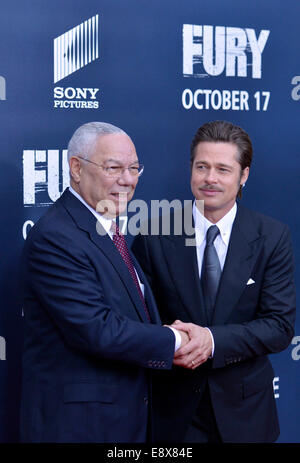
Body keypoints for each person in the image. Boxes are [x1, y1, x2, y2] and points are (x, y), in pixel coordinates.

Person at [20, 122, 189, 443]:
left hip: (124, 420)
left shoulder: (105, 228)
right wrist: (177, 341)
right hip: (79, 428)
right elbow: (98, 330)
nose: (127, 179)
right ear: (76, 168)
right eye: (114, 168)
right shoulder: (56, 237)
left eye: (134, 168)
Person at [132, 120, 296, 443]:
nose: (210, 179)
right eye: (202, 166)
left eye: (222, 169)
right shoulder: (154, 234)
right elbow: (139, 322)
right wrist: (172, 341)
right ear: (190, 169)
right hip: (173, 413)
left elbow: (279, 326)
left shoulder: (272, 237)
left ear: (243, 175)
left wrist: (211, 340)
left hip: (246, 415)